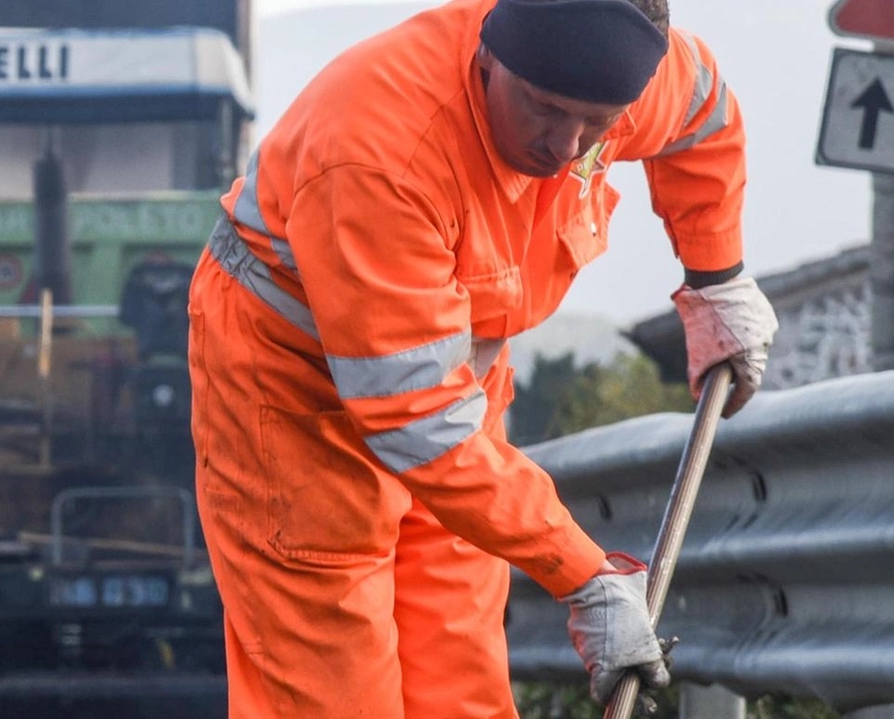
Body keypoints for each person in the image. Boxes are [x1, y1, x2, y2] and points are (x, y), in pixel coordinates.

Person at [187, 0, 779, 715]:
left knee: (460, 678)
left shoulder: (628, 76)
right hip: (292, 394)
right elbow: (416, 419)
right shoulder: (381, 149)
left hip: (452, 386)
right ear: (491, 54)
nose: (566, 147)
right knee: (332, 688)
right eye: (544, 108)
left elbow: (702, 115)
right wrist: (587, 576)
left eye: (595, 124)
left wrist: (716, 279)